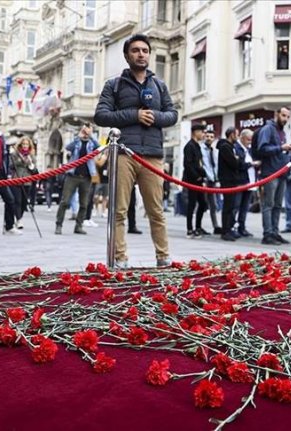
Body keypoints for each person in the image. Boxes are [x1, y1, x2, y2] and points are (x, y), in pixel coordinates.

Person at [94, 33, 178, 268]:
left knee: (156, 211)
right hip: (123, 154)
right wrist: (135, 114)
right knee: (119, 210)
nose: (141, 54)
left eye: (145, 50)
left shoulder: (159, 85)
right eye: (136, 50)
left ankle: (163, 257)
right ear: (126, 55)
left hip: (153, 155)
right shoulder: (114, 84)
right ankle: (120, 258)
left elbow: (173, 115)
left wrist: (156, 117)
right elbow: (101, 115)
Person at [256, 106, 291, 245]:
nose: (285, 119)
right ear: (276, 114)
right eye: (283, 115)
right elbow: (262, 148)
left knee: (277, 205)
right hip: (271, 172)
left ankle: (275, 232)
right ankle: (268, 234)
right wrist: (280, 148)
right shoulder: (268, 129)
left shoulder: (281, 132)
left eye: (288, 117)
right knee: (268, 204)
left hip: (281, 172)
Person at [54, 123, 98, 235]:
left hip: (86, 177)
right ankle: (58, 225)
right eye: (85, 130)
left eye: (88, 130)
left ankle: (78, 226)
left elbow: (99, 148)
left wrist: (91, 135)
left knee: (84, 204)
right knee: (65, 201)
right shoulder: (76, 141)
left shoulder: (91, 143)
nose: (86, 132)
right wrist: (79, 136)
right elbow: (68, 148)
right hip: (72, 175)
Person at [217, 127, 243, 241]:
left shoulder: (231, 147)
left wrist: (237, 159)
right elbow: (234, 162)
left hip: (232, 179)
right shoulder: (225, 147)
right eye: (236, 134)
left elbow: (238, 160)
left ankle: (229, 228)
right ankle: (225, 231)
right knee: (227, 206)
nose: (237, 137)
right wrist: (236, 159)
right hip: (227, 180)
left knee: (231, 206)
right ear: (231, 134)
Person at [183, 123, 208, 238]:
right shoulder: (189, 146)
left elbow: (199, 163)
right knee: (192, 204)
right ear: (195, 132)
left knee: (202, 203)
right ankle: (190, 229)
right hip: (192, 180)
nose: (203, 134)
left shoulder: (197, 146)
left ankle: (198, 227)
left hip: (199, 180)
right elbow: (188, 164)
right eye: (202, 132)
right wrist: (196, 176)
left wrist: (202, 175)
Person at [235, 129, 260, 237]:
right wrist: (251, 164)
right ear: (242, 137)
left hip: (250, 181)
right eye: (248, 139)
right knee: (236, 205)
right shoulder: (236, 148)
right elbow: (239, 164)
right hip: (240, 181)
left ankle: (242, 227)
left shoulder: (250, 149)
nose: (250, 142)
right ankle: (232, 226)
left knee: (245, 207)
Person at [10, 136, 38, 229]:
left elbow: (34, 170)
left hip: (27, 181)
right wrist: (19, 160)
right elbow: (11, 165)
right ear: (20, 145)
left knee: (24, 203)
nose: (25, 146)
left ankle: (19, 218)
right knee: (17, 201)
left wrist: (30, 164)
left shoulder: (32, 156)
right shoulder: (15, 154)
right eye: (23, 144)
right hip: (16, 180)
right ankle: (18, 220)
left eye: (27, 144)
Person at [201, 130, 221, 234]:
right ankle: (197, 226)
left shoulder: (214, 150)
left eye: (211, 136)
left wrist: (217, 179)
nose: (209, 138)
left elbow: (216, 165)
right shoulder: (201, 149)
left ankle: (216, 226)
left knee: (213, 204)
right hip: (204, 179)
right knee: (200, 204)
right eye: (207, 136)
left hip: (212, 180)